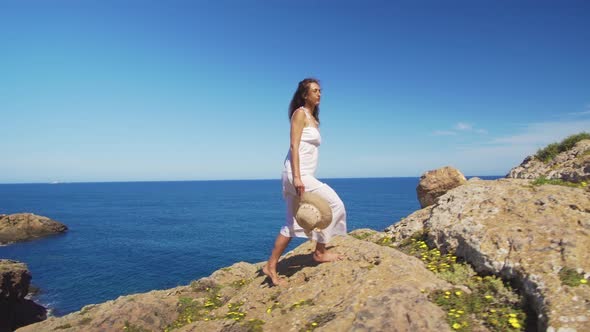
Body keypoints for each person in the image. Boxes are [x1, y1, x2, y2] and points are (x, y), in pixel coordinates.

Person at [262, 78, 347, 286]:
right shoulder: (300, 114)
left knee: (291, 224)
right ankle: (320, 252)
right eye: (315, 91)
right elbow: (294, 146)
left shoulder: (313, 118)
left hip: (300, 173)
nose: (319, 94)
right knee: (335, 205)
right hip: (296, 173)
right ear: (305, 94)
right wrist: (298, 177)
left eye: (320, 91)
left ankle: (270, 265)